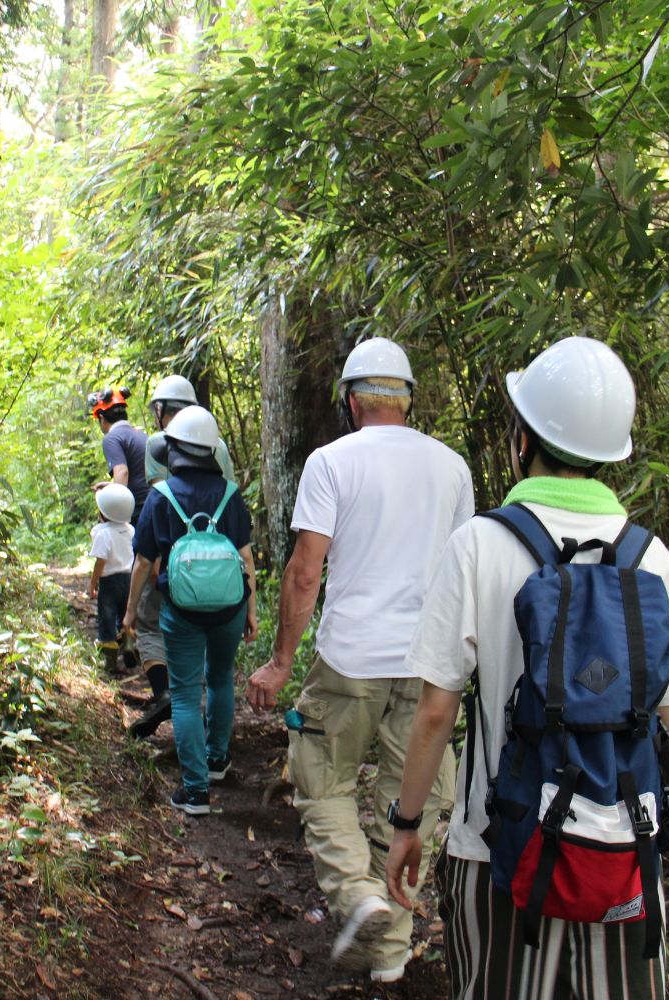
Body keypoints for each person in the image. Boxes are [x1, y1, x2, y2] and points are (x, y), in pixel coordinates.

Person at [384, 336, 669, 1000]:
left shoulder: (479, 543)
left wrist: (407, 825)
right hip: (619, 848)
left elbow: (436, 711)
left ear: (523, 437)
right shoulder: (650, 557)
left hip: (501, 848)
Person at [246, 337, 474, 983]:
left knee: (322, 780)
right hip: (430, 665)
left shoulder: (331, 461)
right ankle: (391, 951)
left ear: (350, 400)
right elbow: (463, 571)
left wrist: (282, 661)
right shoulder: (452, 466)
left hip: (351, 655)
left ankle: (357, 895)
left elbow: (304, 570)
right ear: (409, 400)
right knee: (414, 803)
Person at [124, 406, 258, 815]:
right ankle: (218, 760)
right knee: (220, 679)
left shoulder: (160, 497)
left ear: (175, 450)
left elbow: (144, 563)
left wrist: (129, 614)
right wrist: (251, 609)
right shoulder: (231, 495)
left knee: (184, 695)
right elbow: (246, 558)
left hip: (180, 612)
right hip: (229, 610)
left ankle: (196, 790)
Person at [128, 375, 236, 740]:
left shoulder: (158, 444)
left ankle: (166, 692)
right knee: (211, 637)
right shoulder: (218, 446)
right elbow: (229, 498)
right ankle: (214, 743)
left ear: (160, 410)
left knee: (149, 622)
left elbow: (160, 498)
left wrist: (157, 559)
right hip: (219, 563)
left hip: (172, 557)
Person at [88, 483, 136, 675]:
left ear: (102, 513)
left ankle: (110, 663)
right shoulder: (130, 530)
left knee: (106, 619)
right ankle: (129, 644)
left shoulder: (103, 533)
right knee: (125, 615)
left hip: (109, 582)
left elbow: (100, 562)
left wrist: (93, 583)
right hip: (129, 579)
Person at [89, 386, 149, 523]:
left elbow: (122, 472)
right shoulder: (140, 435)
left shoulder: (112, 438)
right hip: (153, 505)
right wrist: (112, 487)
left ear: (102, 418)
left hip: (137, 510)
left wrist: (115, 515)